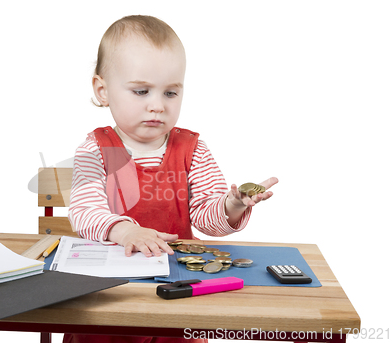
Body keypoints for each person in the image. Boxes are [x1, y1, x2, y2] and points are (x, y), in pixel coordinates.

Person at [64, 15, 278, 343]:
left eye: (170, 93)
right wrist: (126, 231)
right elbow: (84, 211)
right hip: (109, 294)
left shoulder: (193, 150)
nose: (157, 106)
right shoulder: (96, 148)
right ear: (102, 90)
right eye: (141, 91)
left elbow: (207, 218)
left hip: (176, 288)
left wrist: (232, 205)